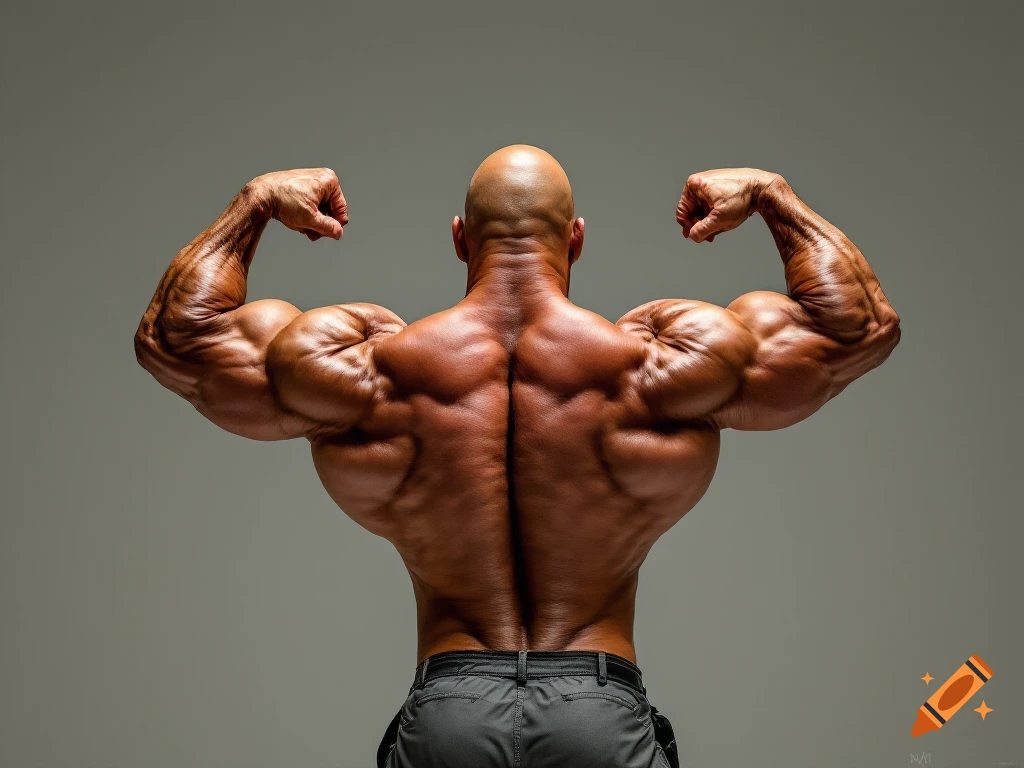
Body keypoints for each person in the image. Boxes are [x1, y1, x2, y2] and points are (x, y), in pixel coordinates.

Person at [134, 145, 900, 767]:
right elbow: (857, 330)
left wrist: (256, 203)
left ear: (460, 239)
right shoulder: (656, 370)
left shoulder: (368, 374)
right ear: (576, 240)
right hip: (598, 715)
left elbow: (176, 342)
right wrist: (772, 195)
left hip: (449, 716)